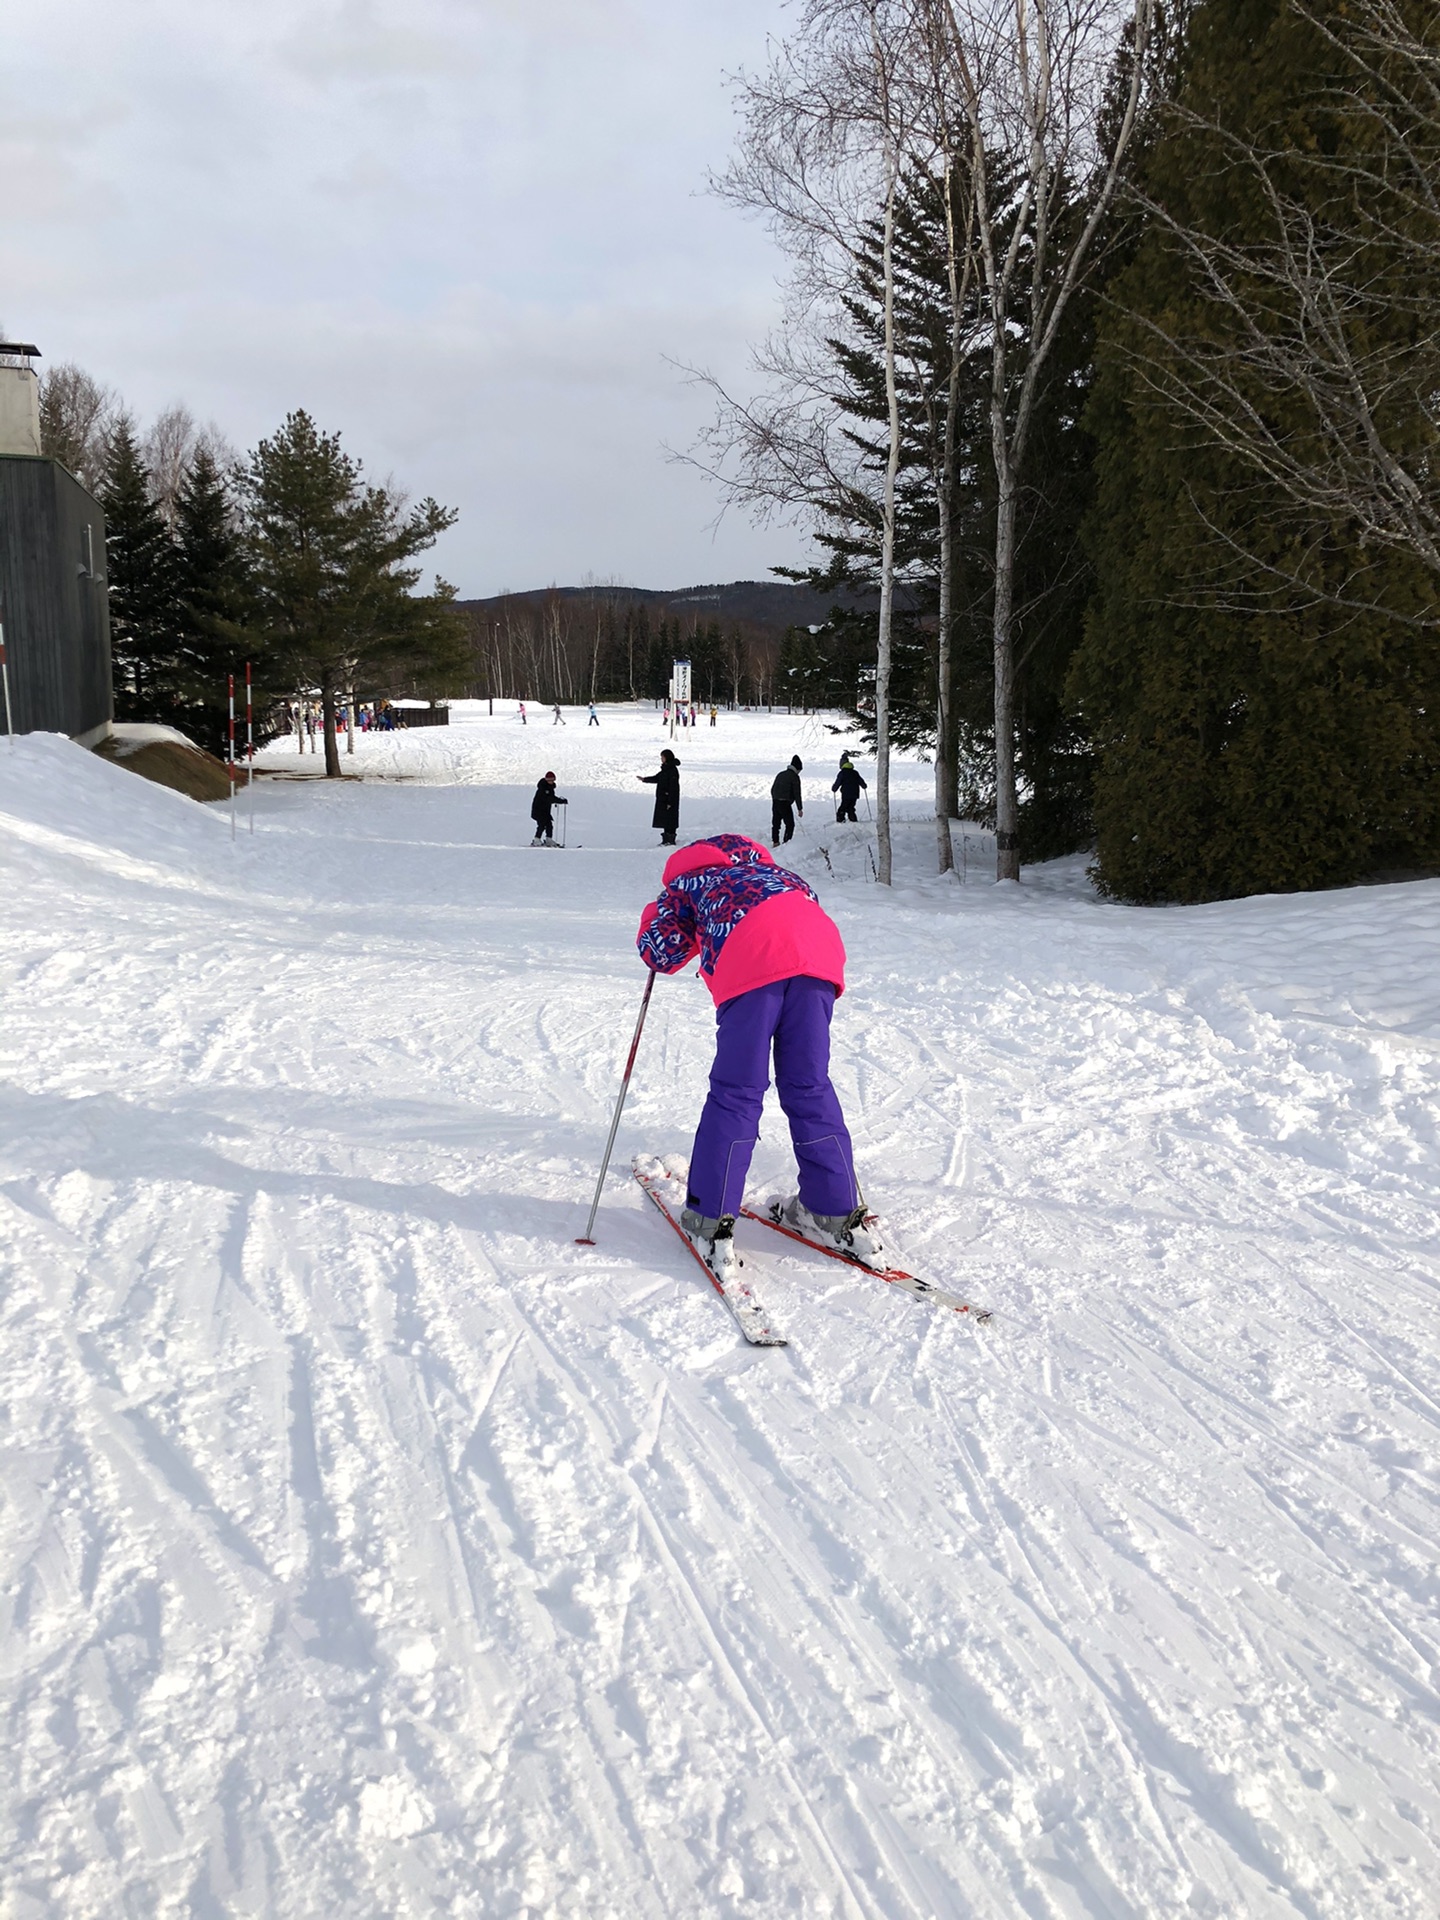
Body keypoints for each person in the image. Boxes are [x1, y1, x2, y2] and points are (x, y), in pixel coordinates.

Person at [635, 833, 882, 1280]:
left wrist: (656, 912)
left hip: (752, 963)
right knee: (809, 1084)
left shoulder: (687, 884)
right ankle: (834, 1211)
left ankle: (711, 1219)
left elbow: (661, 952)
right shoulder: (775, 873)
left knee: (738, 1091)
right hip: (819, 958)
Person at [638, 749, 681, 845]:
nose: (661, 759)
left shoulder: (672, 770)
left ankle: (670, 840)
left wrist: (670, 801)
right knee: (666, 819)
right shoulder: (666, 769)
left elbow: (673, 788)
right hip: (664, 799)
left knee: (670, 819)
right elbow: (657, 778)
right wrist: (645, 779)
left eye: (662, 757)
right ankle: (666, 839)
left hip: (669, 799)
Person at [770, 755, 804, 845]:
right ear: (797, 768)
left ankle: (775, 841)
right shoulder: (794, 777)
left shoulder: (781, 774)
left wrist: (775, 798)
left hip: (775, 801)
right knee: (790, 824)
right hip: (784, 803)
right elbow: (797, 794)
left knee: (776, 823)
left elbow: (773, 789)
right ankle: (786, 843)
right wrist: (799, 808)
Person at [530, 771, 567, 845]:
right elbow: (548, 798)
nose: (551, 781)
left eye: (552, 780)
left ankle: (548, 839)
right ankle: (536, 839)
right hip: (538, 810)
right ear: (546, 780)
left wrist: (560, 801)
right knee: (542, 824)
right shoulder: (543, 788)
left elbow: (551, 798)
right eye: (549, 780)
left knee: (549, 824)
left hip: (545, 811)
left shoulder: (550, 788)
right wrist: (560, 801)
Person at [832, 754, 867, 823]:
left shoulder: (842, 773)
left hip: (846, 794)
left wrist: (834, 788)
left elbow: (838, 782)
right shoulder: (855, 773)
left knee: (842, 808)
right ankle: (853, 820)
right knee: (851, 808)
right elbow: (861, 781)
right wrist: (864, 786)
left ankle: (840, 821)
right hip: (855, 794)